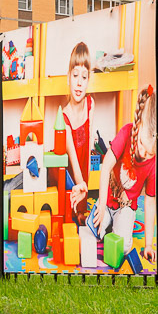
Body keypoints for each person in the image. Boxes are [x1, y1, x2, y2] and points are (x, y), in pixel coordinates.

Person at [90, 85, 157, 266]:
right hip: (108, 199)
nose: (144, 154)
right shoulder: (127, 132)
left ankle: (114, 226)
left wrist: (148, 244)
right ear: (139, 125)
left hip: (126, 207)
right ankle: (107, 223)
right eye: (142, 145)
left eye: (150, 153)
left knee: (124, 247)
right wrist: (102, 206)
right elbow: (105, 168)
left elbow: (150, 202)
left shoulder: (152, 163)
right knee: (93, 230)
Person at [60, 40, 94, 223]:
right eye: (75, 76)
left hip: (83, 169)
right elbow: (73, 160)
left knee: (82, 217)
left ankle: (80, 209)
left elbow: (87, 150)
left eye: (84, 77)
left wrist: (85, 188)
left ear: (89, 80)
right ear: (68, 78)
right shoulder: (64, 117)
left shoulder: (90, 105)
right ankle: (74, 209)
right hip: (71, 172)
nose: (79, 83)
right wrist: (81, 185)